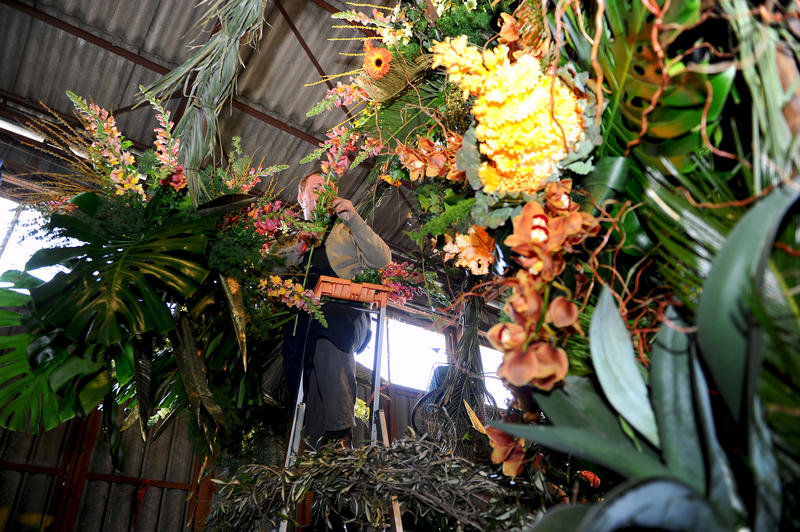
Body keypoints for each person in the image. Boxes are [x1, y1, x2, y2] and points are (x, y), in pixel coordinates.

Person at [281, 172, 391, 449]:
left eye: (328, 188)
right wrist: (296, 248)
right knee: (307, 373)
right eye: (317, 187)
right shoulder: (291, 236)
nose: (323, 192)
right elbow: (267, 267)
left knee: (328, 333)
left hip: (344, 312)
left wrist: (353, 218)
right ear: (300, 196)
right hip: (302, 322)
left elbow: (382, 259)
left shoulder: (347, 228)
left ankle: (341, 433)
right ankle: (322, 448)